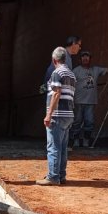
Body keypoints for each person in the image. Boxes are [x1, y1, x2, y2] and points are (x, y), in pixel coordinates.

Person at [37, 46, 76, 186]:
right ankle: (61, 175)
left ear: (54, 60)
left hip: (57, 115)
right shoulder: (71, 74)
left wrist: (49, 114)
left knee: (53, 147)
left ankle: (53, 177)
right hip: (68, 115)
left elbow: (57, 93)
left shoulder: (56, 73)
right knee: (63, 147)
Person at [71, 51, 108, 148]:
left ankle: (86, 141)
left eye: (87, 57)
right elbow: (69, 83)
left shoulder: (96, 70)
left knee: (89, 122)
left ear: (90, 59)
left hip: (91, 102)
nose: (85, 59)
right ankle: (76, 141)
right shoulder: (76, 71)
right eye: (83, 57)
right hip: (78, 101)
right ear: (80, 59)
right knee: (77, 122)